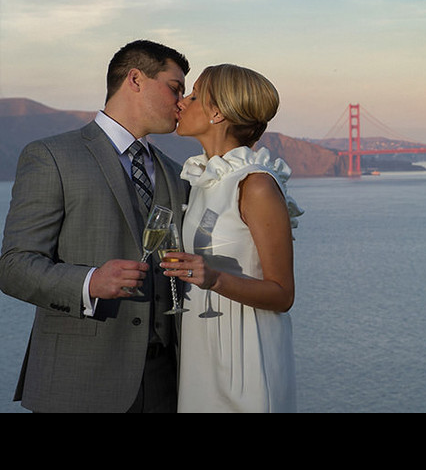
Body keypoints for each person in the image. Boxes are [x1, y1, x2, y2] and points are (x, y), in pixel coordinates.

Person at [0, 40, 191, 413]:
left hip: (167, 384)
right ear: (135, 79)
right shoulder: (51, 156)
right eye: (175, 87)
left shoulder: (174, 172)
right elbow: (12, 266)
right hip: (78, 383)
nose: (181, 101)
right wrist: (89, 282)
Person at [161, 64, 303, 413]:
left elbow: (283, 294)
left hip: (245, 354)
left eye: (194, 96)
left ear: (217, 112)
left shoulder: (255, 185)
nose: (182, 102)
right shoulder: (204, 180)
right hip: (202, 350)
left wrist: (214, 278)